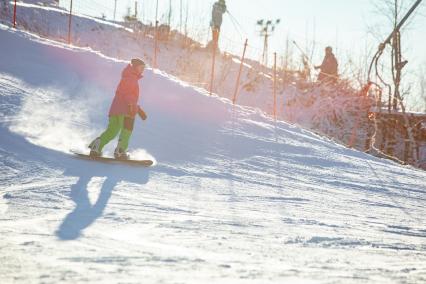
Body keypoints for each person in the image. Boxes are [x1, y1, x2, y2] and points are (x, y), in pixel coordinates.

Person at [88, 58, 147, 160]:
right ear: (136, 67)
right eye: (141, 68)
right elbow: (128, 94)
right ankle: (120, 151)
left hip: (115, 110)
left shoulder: (126, 77)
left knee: (112, 131)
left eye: (144, 68)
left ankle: (96, 147)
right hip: (127, 110)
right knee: (126, 130)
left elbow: (123, 93)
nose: (142, 70)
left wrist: (138, 109)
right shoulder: (132, 78)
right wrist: (131, 106)